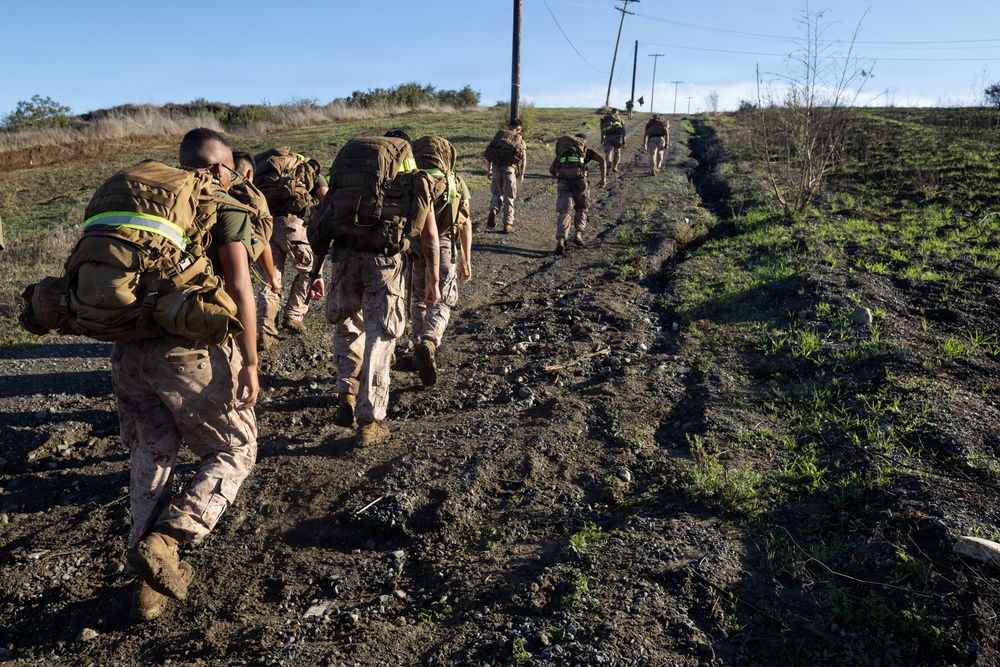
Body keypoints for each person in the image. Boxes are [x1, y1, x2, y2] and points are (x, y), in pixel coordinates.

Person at [120, 128, 258, 621]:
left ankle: (146, 583)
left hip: (129, 351)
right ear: (222, 168)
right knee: (234, 449)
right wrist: (251, 362)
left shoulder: (146, 206)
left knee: (151, 454)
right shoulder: (222, 206)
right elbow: (240, 287)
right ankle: (169, 539)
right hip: (188, 354)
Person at [308, 136, 440, 446]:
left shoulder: (348, 180)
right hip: (383, 261)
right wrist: (433, 278)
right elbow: (429, 233)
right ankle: (369, 421)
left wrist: (315, 273)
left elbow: (323, 221)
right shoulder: (409, 178)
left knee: (347, 327)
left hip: (343, 257)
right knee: (380, 336)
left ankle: (346, 395)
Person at [410, 137, 473, 387]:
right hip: (444, 244)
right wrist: (466, 259)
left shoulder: (410, 179)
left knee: (418, 297)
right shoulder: (453, 180)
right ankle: (429, 339)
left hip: (413, 247)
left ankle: (416, 347)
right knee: (443, 298)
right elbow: (465, 224)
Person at [254, 148, 328, 337]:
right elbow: (325, 198)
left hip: (264, 225)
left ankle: (265, 330)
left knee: (271, 275)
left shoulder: (268, 174)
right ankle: (294, 315)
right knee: (310, 268)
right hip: (290, 223)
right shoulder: (309, 171)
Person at [231, 152, 281, 350]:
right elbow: (261, 242)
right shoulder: (253, 197)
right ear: (250, 173)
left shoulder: (203, 188)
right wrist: (272, 278)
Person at [548, 133, 607, 256]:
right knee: (582, 208)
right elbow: (602, 160)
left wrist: (561, 177)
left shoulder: (564, 152)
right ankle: (578, 234)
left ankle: (561, 239)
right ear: (583, 143)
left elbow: (551, 170)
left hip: (564, 183)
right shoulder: (587, 152)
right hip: (580, 183)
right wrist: (603, 179)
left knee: (565, 211)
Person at [484, 119, 527, 233]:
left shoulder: (500, 137)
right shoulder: (519, 139)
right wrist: (521, 174)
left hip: (496, 168)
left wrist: (489, 170)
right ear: (519, 129)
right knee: (509, 196)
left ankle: (494, 209)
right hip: (509, 169)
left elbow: (490, 155)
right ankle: (507, 224)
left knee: (497, 193)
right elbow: (523, 159)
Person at [600, 108, 626, 174]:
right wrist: (624, 140)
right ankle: (615, 167)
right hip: (617, 138)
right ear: (617, 112)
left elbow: (602, 130)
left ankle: (608, 169)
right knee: (617, 152)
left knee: (608, 153)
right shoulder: (620, 119)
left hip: (607, 137)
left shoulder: (606, 119)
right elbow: (623, 131)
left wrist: (602, 139)